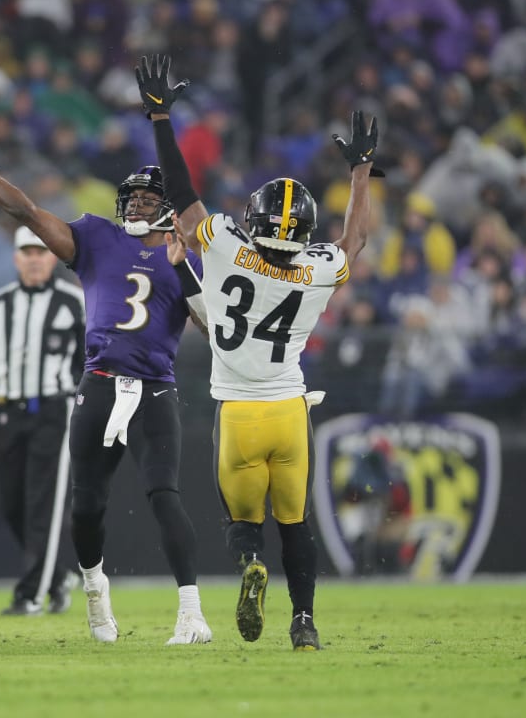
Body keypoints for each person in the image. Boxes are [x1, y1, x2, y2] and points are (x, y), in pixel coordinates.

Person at [137, 54, 380, 650]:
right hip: (289, 412)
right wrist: (361, 170)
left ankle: (251, 561)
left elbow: (182, 193)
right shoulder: (320, 269)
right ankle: (304, 625)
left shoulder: (222, 244)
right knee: (297, 524)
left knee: (243, 523)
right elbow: (356, 239)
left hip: (238, 415)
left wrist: (161, 117)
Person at [0, 116, 213, 645]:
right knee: (87, 504)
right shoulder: (96, 236)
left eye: (146, 200)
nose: (135, 206)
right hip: (98, 383)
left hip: (155, 390)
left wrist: (184, 267)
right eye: (132, 198)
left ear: (166, 205)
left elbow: (212, 326)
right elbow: (26, 209)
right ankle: (95, 591)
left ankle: (191, 613)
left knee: (165, 494)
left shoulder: (187, 256)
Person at [0, 226, 86, 616]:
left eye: (41, 251)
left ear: (53, 258)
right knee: (12, 504)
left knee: (41, 505)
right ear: (16, 258)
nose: (33, 259)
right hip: (7, 411)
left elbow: (91, 363)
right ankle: (58, 576)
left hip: (54, 411)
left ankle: (30, 594)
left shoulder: (74, 302)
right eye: (27, 252)